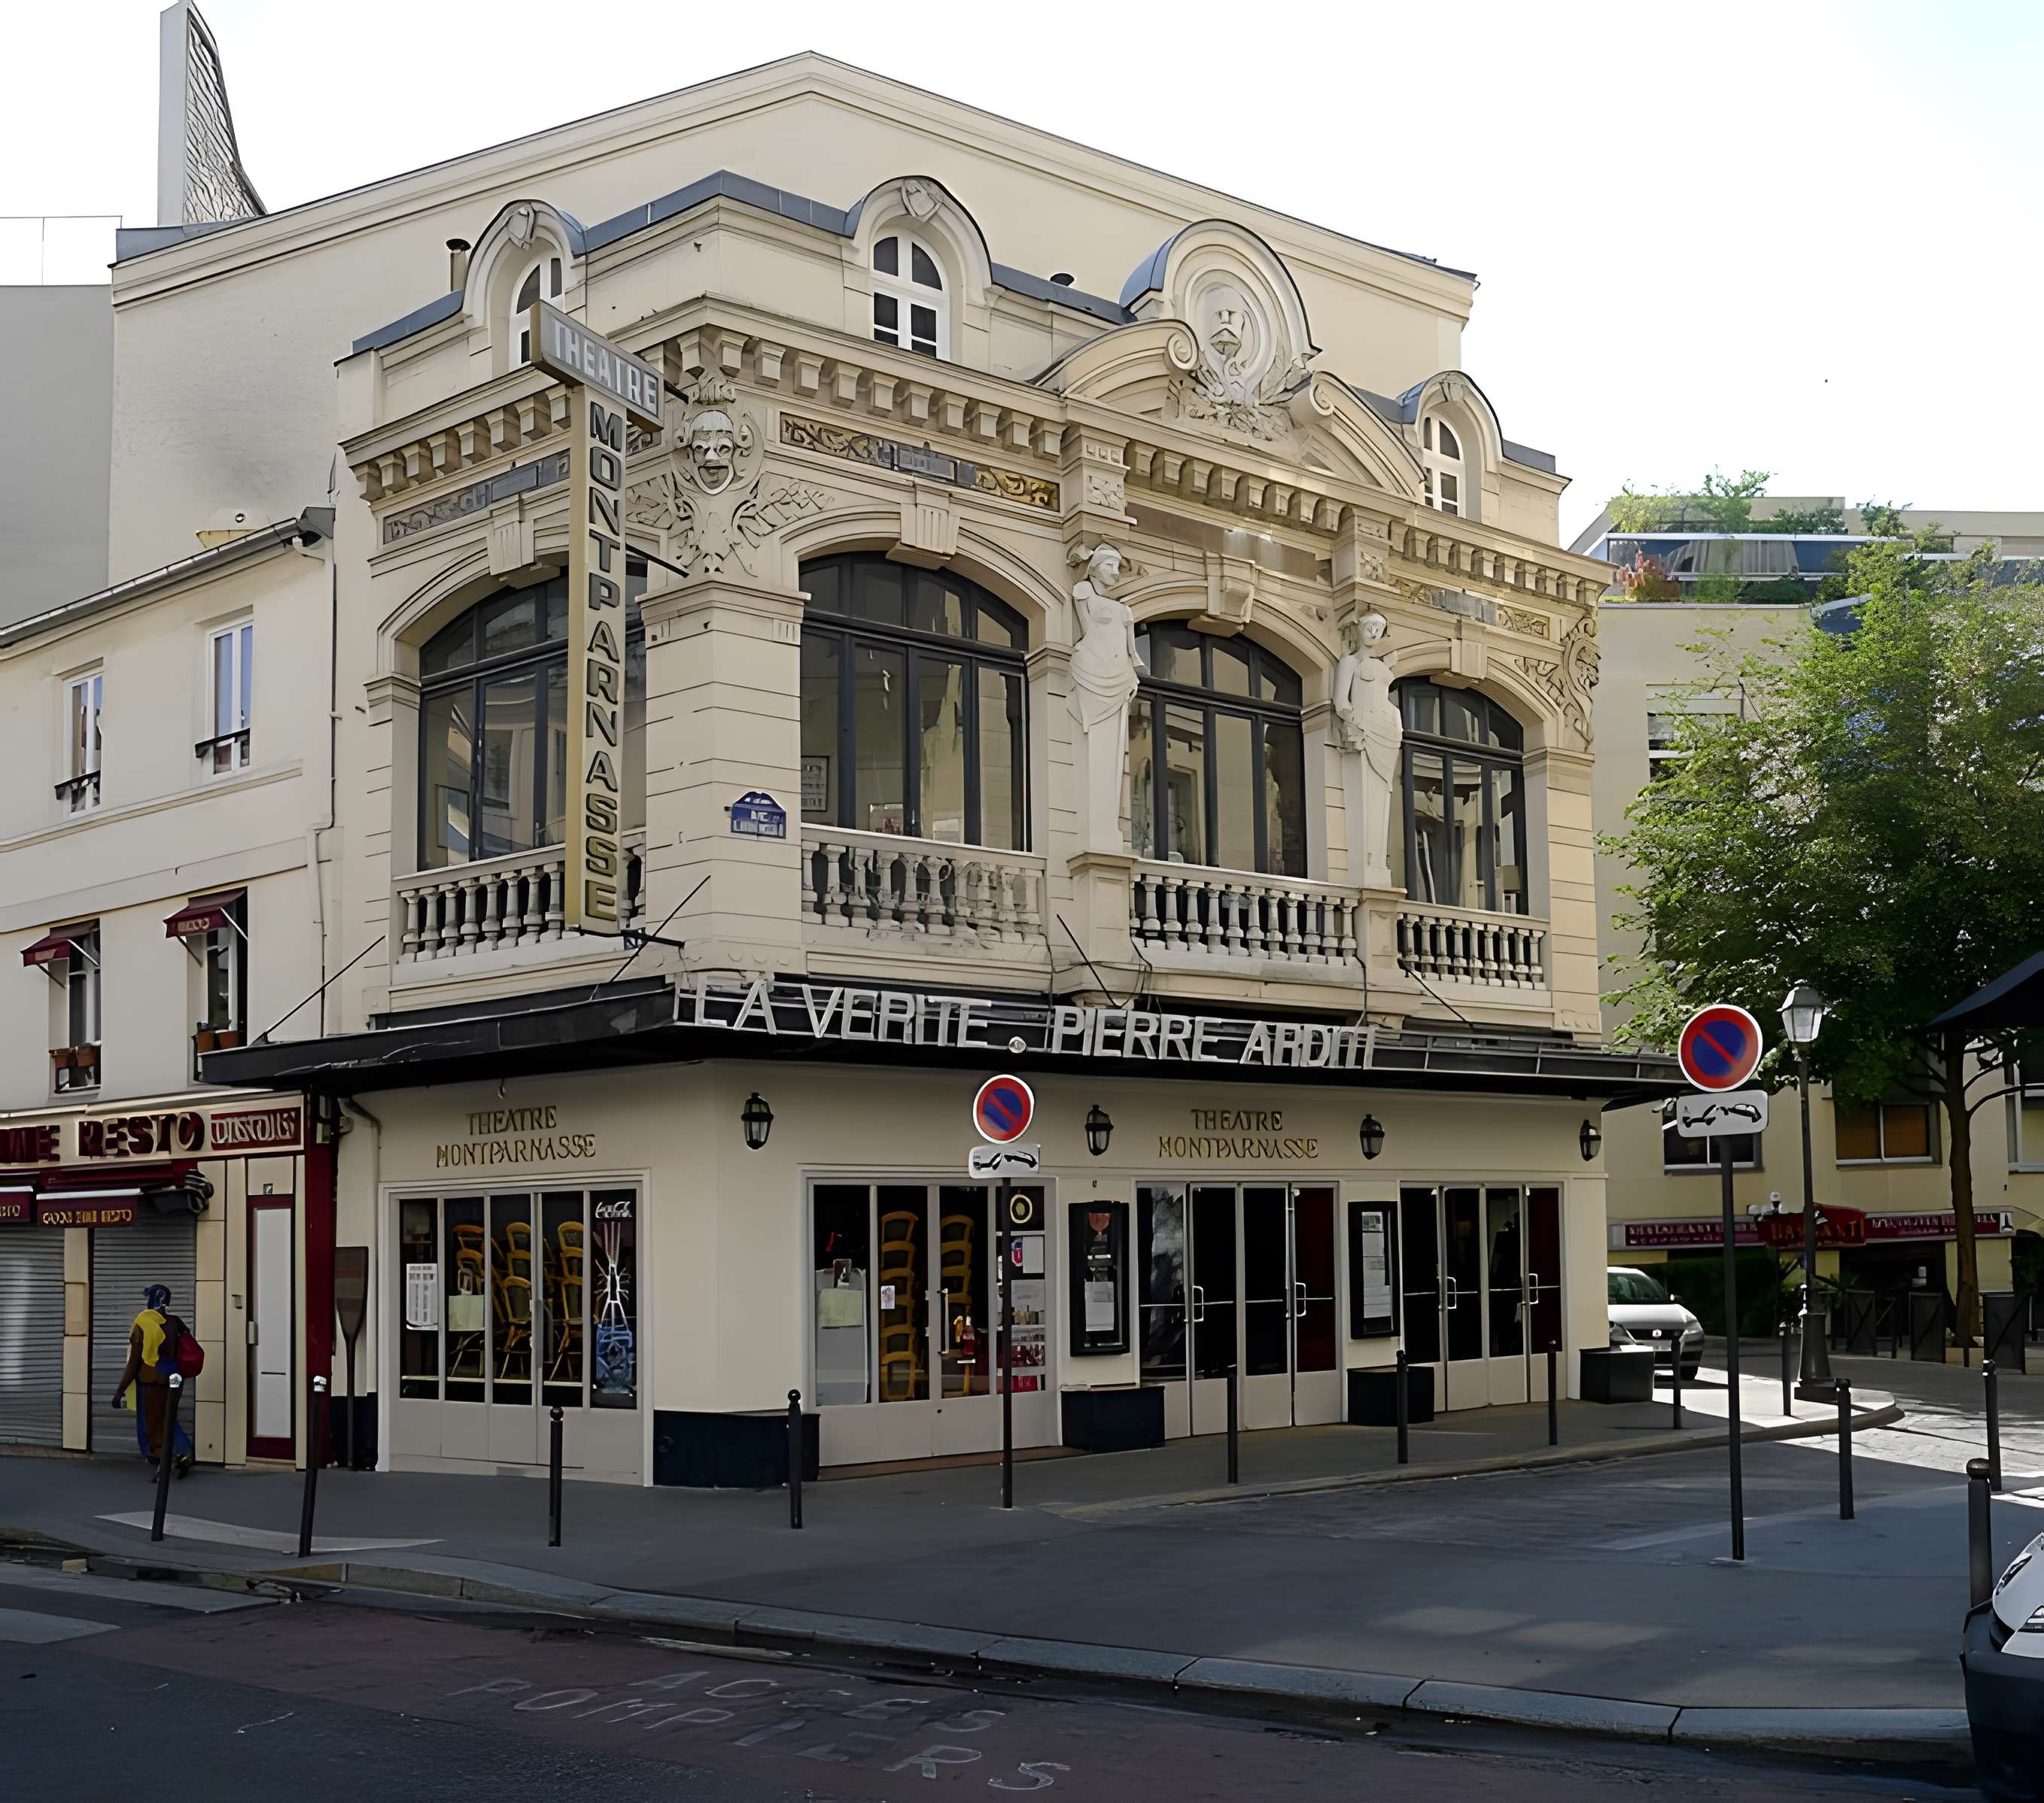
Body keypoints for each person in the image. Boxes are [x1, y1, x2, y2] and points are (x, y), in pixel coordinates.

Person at [111, 1284, 193, 1476]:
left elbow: (134, 1362)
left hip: (151, 1380)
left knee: (152, 1421)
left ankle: (163, 1460)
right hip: (174, 1377)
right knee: (167, 1416)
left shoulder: (144, 1323)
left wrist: (120, 1390)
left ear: (152, 1300)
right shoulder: (175, 1322)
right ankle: (180, 1453)